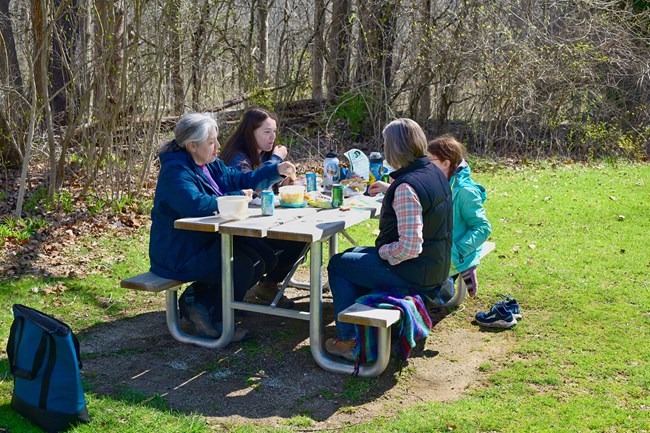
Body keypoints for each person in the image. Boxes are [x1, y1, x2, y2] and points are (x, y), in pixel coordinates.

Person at [149, 112, 296, 341]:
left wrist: (274, 170)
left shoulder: (210, 165)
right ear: (192, 146)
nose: (218, 146)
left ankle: (199, 300)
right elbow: (195, 204)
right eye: (211, 142)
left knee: (264, 257)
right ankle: (216, 317)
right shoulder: (175, 172)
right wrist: (238, 196)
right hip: (179, 252)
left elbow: (240, 179)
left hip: (205, 242)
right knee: (243, 265)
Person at [325, 118, 453, 361]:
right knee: (353, 254)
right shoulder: (433, 172)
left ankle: (349, 341)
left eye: (385, 143)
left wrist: (383, 251)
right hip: (435, 266)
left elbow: (409, 248)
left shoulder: (407, 188)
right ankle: (366, 328)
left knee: (339, 264)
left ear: (394, 147)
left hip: (414, 270)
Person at [220, 108, 307, 307]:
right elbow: (250, 189)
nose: (273, 137)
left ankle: (267, 285)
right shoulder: (238, 158)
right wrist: (277, 162)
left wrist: (285, 182)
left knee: (301, 239)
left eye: (274, 131)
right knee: (295, 241)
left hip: (261, 221)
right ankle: (246, 293)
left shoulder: (262, 155)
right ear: (250, 133)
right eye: (267, 132)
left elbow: (268, 189)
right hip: (240, 228)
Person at [427, 135, 491, 297]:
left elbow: (482, 228)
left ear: (446, 163)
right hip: (438, 250)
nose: (426, 165)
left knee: (434, 295)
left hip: (453, 252)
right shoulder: (440, 181)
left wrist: (458, 251)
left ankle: (460, 272)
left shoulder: (464, 191)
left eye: (430, 160)